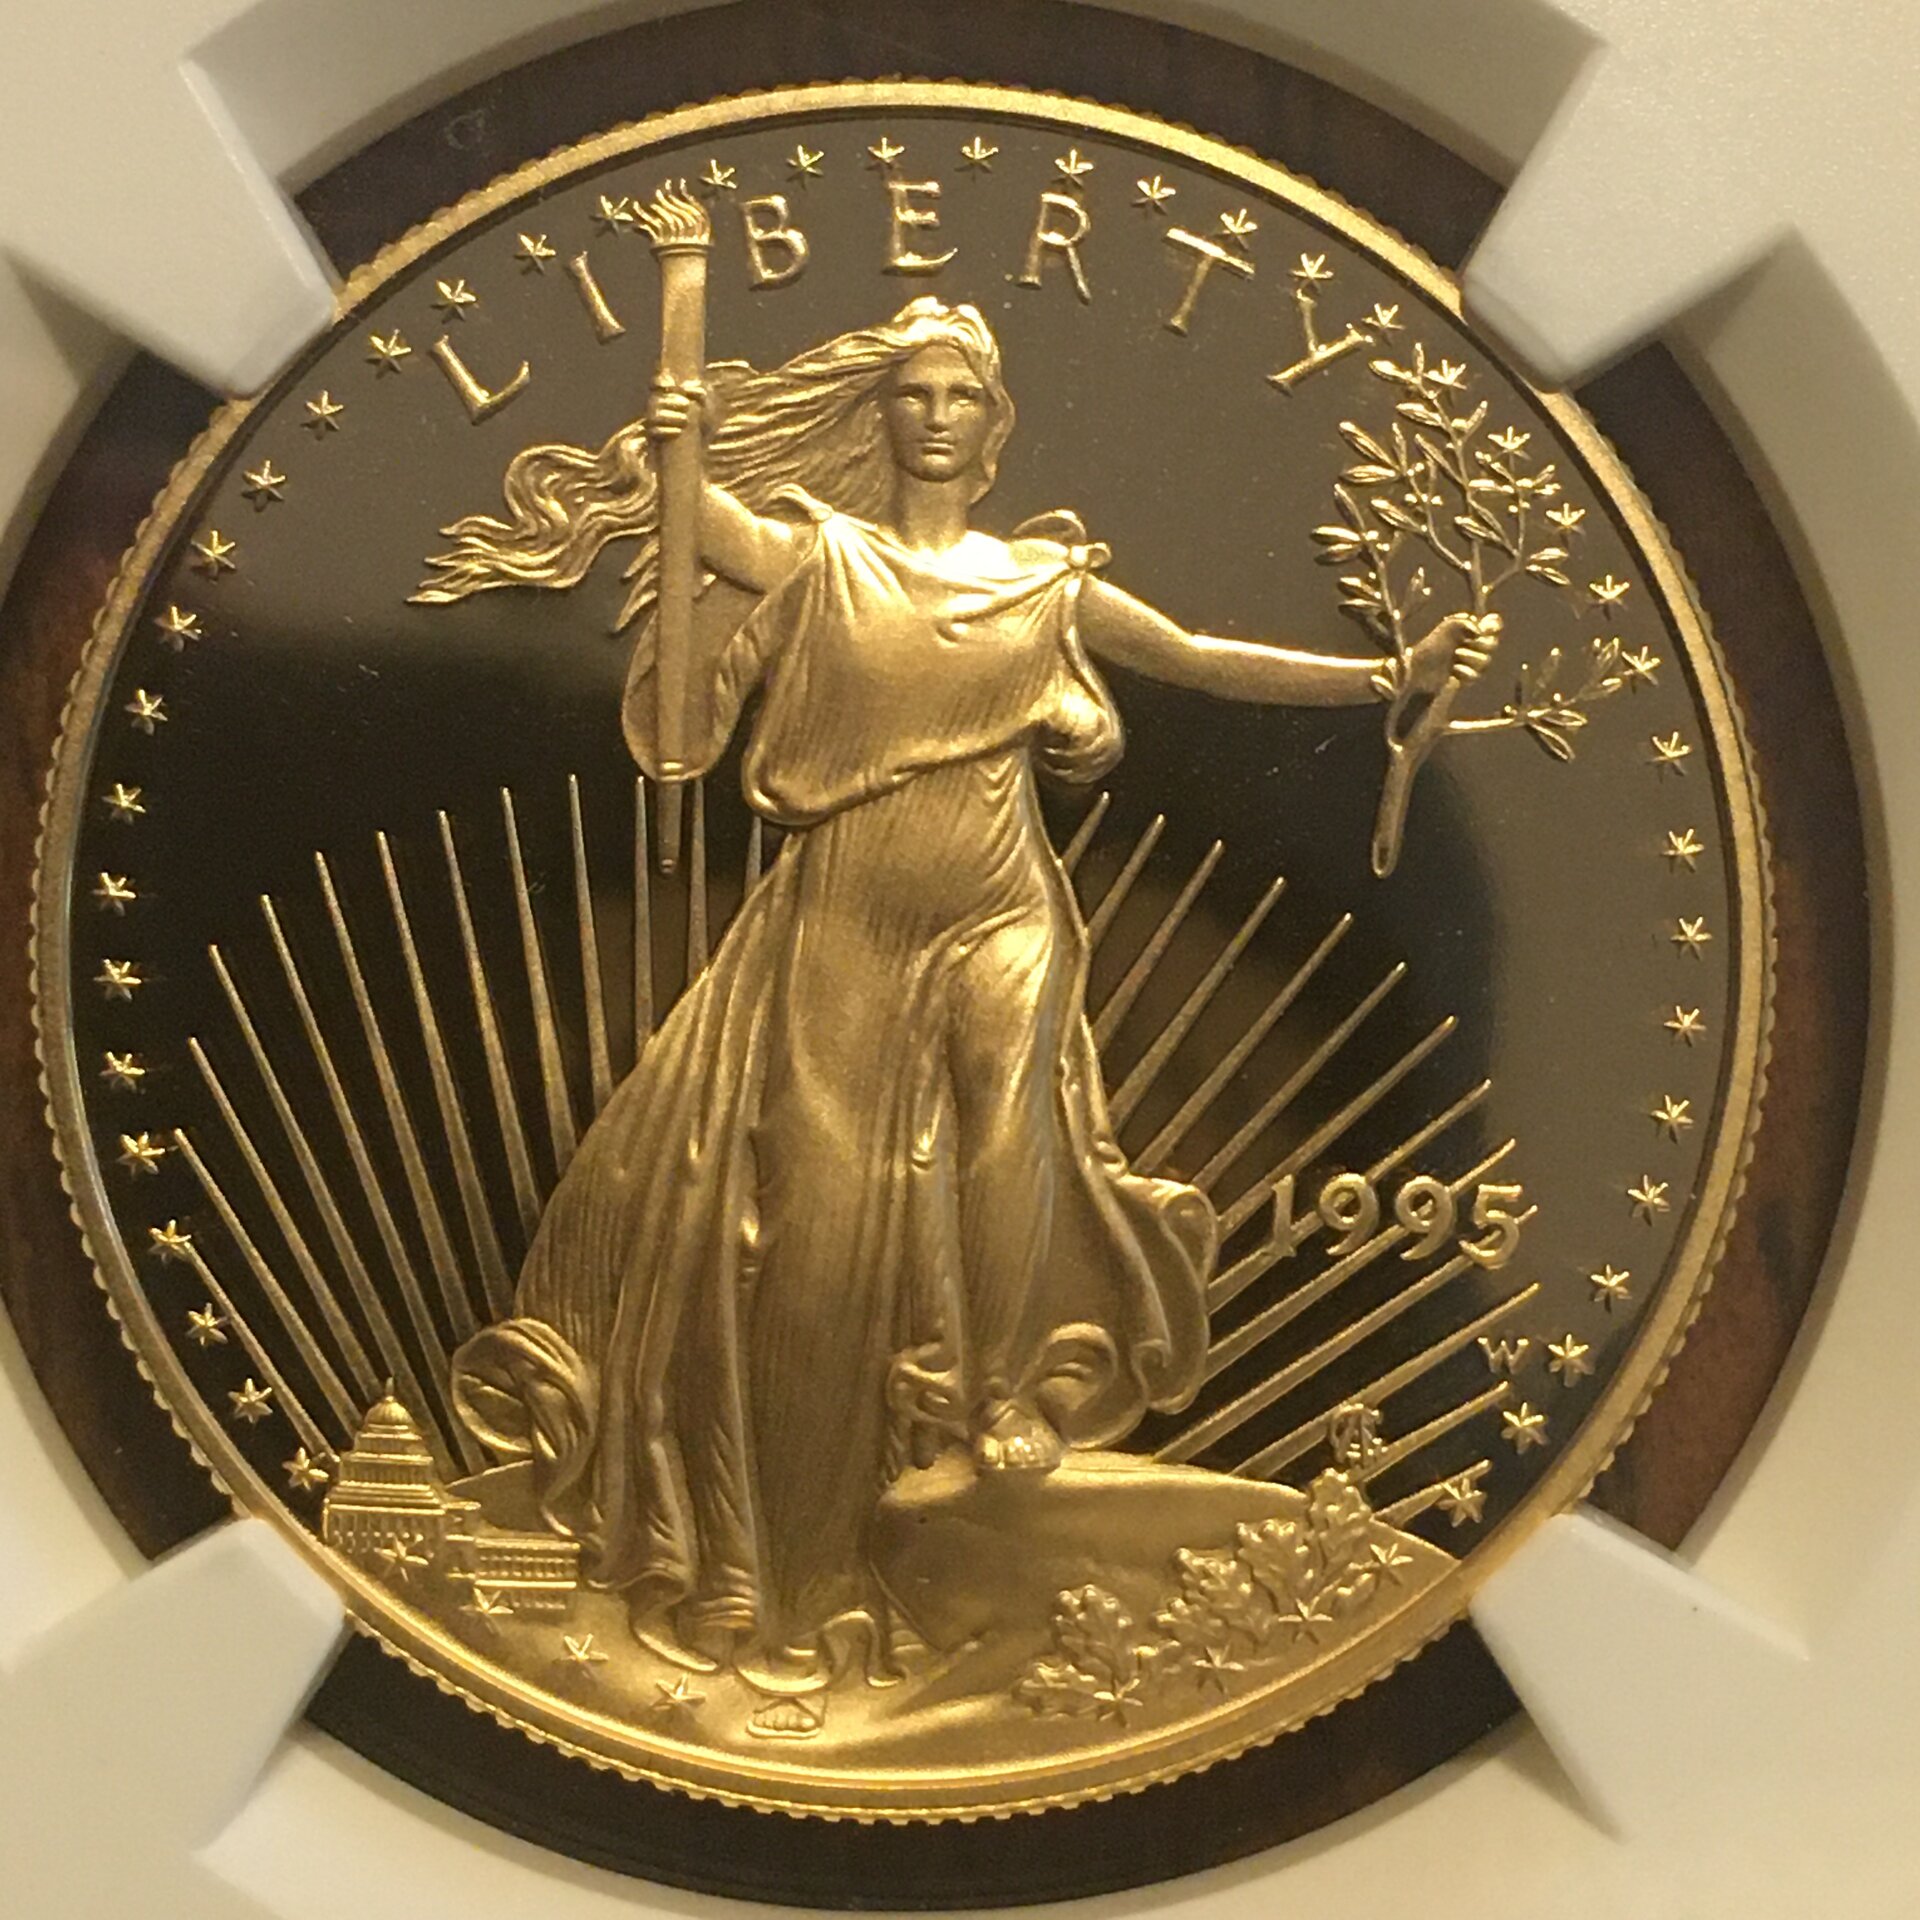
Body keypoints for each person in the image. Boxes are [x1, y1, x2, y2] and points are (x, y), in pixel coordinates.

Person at [416, 298, 1490, 1686]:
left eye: (959, 396)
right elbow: (706, 530)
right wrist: (674, 443)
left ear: (995, 428)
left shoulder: (1043, 584)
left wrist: (1390, 677)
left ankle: (1002, 1395)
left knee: (1009, 1132)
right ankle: (791, 1522)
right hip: (845, 910)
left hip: (1000, 902)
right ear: (882, 416)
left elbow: (1200, 658)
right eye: (913, 392)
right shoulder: (825, 557)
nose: (934, 414)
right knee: (814, 1209)